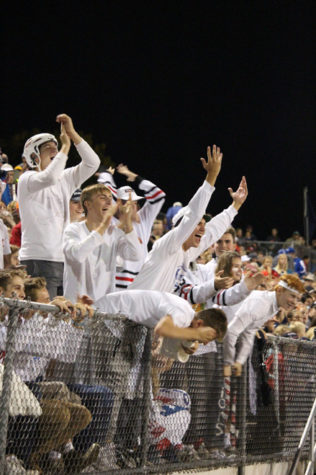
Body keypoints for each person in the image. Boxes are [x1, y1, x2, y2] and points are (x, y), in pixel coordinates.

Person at [130, 145, 247, 292]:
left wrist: (235, 206)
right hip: (131, 312)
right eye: (198, 224)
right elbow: (194, 213)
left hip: (150, 312)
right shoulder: (169, 244)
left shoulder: (187, 252)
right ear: (182, 226)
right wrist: (211, 177)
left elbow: (212, 232)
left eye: (203, 224)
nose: (203, 228)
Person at [17, 114, 100, 299]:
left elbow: (93, 163)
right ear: (33, 155)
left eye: (56, 147)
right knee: (41, 319)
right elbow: (49, 177)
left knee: (60, 322)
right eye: (48, 148)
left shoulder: (65, 178)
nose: (55, 150)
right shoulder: (26, 179)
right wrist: (65, 147)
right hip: (37, 259)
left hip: (62, 260)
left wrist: (72, 134)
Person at [63, 183, 143, 303]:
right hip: (76, 307)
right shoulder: (73, 229)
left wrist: (128, 224)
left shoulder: (114, 233)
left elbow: (136, 256)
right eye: (102, 198)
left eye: (110, 199)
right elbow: (77, 255)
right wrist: (103, 226)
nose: (109, 202)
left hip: (103, 308)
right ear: (88, 204)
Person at [98, 163, 166, 288]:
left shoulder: (144, 219)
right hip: (114, 282)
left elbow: (159, 195)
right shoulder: (110, 220)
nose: (130, 205)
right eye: (125, 202)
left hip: (139, 282)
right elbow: (107, 188)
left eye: (134, 202)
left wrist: (134, 177)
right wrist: (106, 175)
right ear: (117, 204)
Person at [223, 274, 305, 377]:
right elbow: (231, 331)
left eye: (297, 298)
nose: (294, 302)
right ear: (279, 290)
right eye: (292, 296)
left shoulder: (272, 306)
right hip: (212, 339)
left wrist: (239, 361)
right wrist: (228, 362)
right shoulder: (261, 303)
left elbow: (249, 332)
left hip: (222, 342)